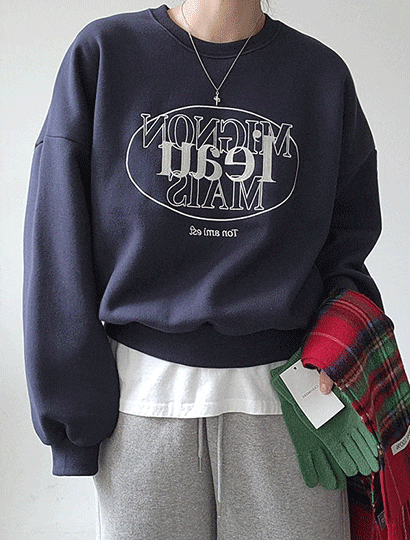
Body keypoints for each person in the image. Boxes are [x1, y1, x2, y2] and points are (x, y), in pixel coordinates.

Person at [22, 0, 384, 538]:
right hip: (142, 408)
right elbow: (57, 243)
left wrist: (336, 361)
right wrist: (73, 414)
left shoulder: (321, 75)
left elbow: (348, 247)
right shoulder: (104, 55)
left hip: (293, 407)